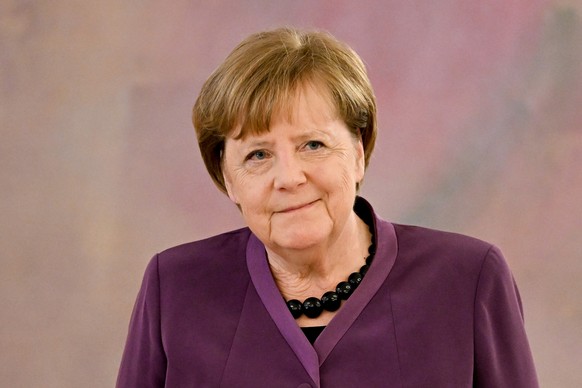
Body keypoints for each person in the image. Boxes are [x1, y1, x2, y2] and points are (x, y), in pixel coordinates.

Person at [117, 27, 538, 387]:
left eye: (313, 145)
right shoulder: (174, 288)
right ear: (228, 178)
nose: (289, 177)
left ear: (357, 152)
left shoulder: (469, 279)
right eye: (258, 155)